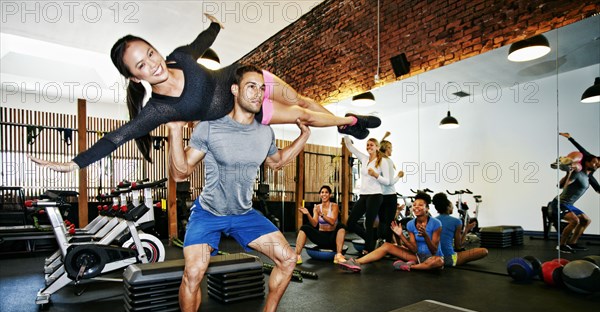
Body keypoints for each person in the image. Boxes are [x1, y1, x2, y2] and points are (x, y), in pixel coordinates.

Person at [29, 14, 380, 172]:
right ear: (135, 78)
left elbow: (200, 43)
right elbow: (115, 139)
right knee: (301, 115)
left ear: (155, 50)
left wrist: (215, 25)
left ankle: (346, 122)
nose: (152, 64)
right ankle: (347, 120)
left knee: (301, 99)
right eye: (140, 66)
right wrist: (73, 163)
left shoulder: (179, 57)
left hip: (247, 77)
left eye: (149, 53)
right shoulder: (159, 110)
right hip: (244, 110)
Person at [167, 65, 308, 312]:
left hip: (244, 213)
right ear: (235, 90)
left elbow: (278, 161)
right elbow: (180, 172)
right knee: (194, 271)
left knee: (288, 258)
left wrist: (303, 136)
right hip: (209, 213)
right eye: (251, 86)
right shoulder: (210, 126)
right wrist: (175, 131)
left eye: (262, 88)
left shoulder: (264, 131)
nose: (258, 93)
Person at [339, 191, 443, 272]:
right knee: (386, 246)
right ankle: (355, 262)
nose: (416, 207)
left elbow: (434, 250)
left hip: (432, 257)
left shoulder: (436, 224)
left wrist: (425, 236)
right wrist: (401, 235)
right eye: (414, 205)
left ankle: (411, 266)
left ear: (427, 209)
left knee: (439, 261)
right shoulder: (411, 224)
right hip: (416, 256)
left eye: (420, 205)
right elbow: (414, 249)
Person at [548, 133, 599, 253]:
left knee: (586, 220)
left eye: (597, 164)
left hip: (569, 204)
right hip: (559, 203)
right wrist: (568, 173)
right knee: (575, 221)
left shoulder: (588, 178)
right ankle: (561, 245)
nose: (596, 165)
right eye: (594, 162)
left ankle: (572, 243)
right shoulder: (578, 173)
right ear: (586, 163)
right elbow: (560, 186)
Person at [343, 136, 391, 255]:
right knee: (351, 222)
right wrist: (345, 133)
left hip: (376, 195)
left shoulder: (382, 161)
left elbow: (387, 181)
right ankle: (371, 239)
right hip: (364, 195)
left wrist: (375, 174)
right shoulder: (364, 159)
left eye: (371, 145)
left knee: (369, 223)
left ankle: (368, 248)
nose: (369, 147)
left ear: (377, 147)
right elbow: (350, 147)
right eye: (368, 145)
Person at [431, 192, 488, 267]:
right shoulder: (457, 221)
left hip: (433, 259)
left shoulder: (431, 220)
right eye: (451, 206)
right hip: (449, 259)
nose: (453, 208)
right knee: (484, 251)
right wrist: (466, 229)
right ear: (448, 207)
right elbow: (459, 246)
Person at [296, 185, 347, 265]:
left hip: (332, 238)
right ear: (320, 195)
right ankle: (297, 256)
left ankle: (338, 255)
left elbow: (332, 222)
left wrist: (322, 215)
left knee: (341, 226)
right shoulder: (317, 207)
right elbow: (314, 223)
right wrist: (308, 214)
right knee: (304, 227)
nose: (324, 194)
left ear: (330, 195)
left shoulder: (334, 206)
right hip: (321, 237)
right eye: (322, 192)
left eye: (326, 192)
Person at [376, 132, 403, 245]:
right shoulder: (388, 161)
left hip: (381, 196)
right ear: (386, 149)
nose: (392, 150)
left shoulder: (379, 160)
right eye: (390, 148)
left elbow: (377, 148)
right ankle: (388, 244)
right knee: (390, 222)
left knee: (383, 221)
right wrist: (399, 176)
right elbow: (390, 182)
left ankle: (383, 243)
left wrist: (384, 137)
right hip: (390, 196)